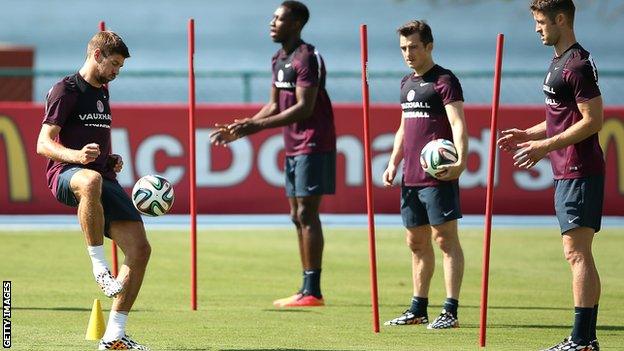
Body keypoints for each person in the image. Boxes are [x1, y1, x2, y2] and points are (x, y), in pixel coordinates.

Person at [210, 0, 336, 308]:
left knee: (307, 213)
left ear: (296, 24)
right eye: (273, 18)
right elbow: (274, 105)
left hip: (314, 143)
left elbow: (304, 107)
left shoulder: (308, 57)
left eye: (278, 19)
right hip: (293, 146)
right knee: (296, 214)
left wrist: (256, 128)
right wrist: (243, 126)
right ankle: (306, 289)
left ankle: (313, 290)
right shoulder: (279, 58)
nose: (272, 23)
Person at [497, 1, 603, 350]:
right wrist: (528, 135)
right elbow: (563, 116)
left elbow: (592, 120)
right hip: (566, 170)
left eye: (541, 22)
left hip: (579, 168)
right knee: (574, 252)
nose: (537, 28)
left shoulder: (578, 65)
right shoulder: (559, 62)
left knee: (577, 253)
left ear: (561, 19)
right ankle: (584, 339)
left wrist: (545, 147)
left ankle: (582, 340)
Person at [36, 31, 151, 350]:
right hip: (66, 174)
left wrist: (109, 159)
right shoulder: (66, 89)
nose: (117, 71)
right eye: (114, 64)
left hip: (102, 176)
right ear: (97, 55)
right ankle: (99, 265)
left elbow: (97, 141)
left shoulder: (104, 92)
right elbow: (42, 143)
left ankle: (114, 336)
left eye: (121, 67)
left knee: (141, 250)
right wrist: (76, 156)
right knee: (89, 180)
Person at [382, 20, 468, 330]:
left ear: (429, 46)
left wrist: (460, 163)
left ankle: (451, 310)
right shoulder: (406, 83)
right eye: (403, 48)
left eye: (413, 47)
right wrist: (393, 163)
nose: (408, 53)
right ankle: (418, 309)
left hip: (438, 176)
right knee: (416, 243)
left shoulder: (444, 81)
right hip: (411, 178)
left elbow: (458, 124)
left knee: (445, 240)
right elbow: (404, 127)